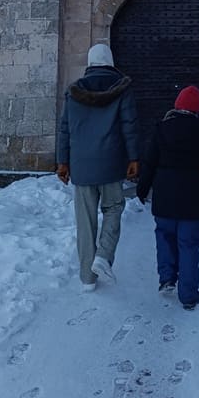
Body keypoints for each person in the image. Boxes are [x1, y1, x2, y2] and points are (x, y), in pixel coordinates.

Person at [56, 43, 140, 291]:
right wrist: (134, 157)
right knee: (113, 207)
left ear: (90, 63)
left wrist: (63, 162)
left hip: (81, 166)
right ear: (110, 61)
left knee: (85, 220)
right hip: (111, 163)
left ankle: (86, 278)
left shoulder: (74, 92)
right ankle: (103, 256)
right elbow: (130, 125)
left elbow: (65, 129)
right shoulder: (122, 89)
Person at [136, 85, 199, 310]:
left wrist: (142, 189)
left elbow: (150, 162)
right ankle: (189, 295)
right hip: (192, 195)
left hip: (165, 194)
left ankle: (167, 278)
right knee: (189, 244)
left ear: (177, 104)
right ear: (196, 108)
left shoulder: (162, 128)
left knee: (165, 237)